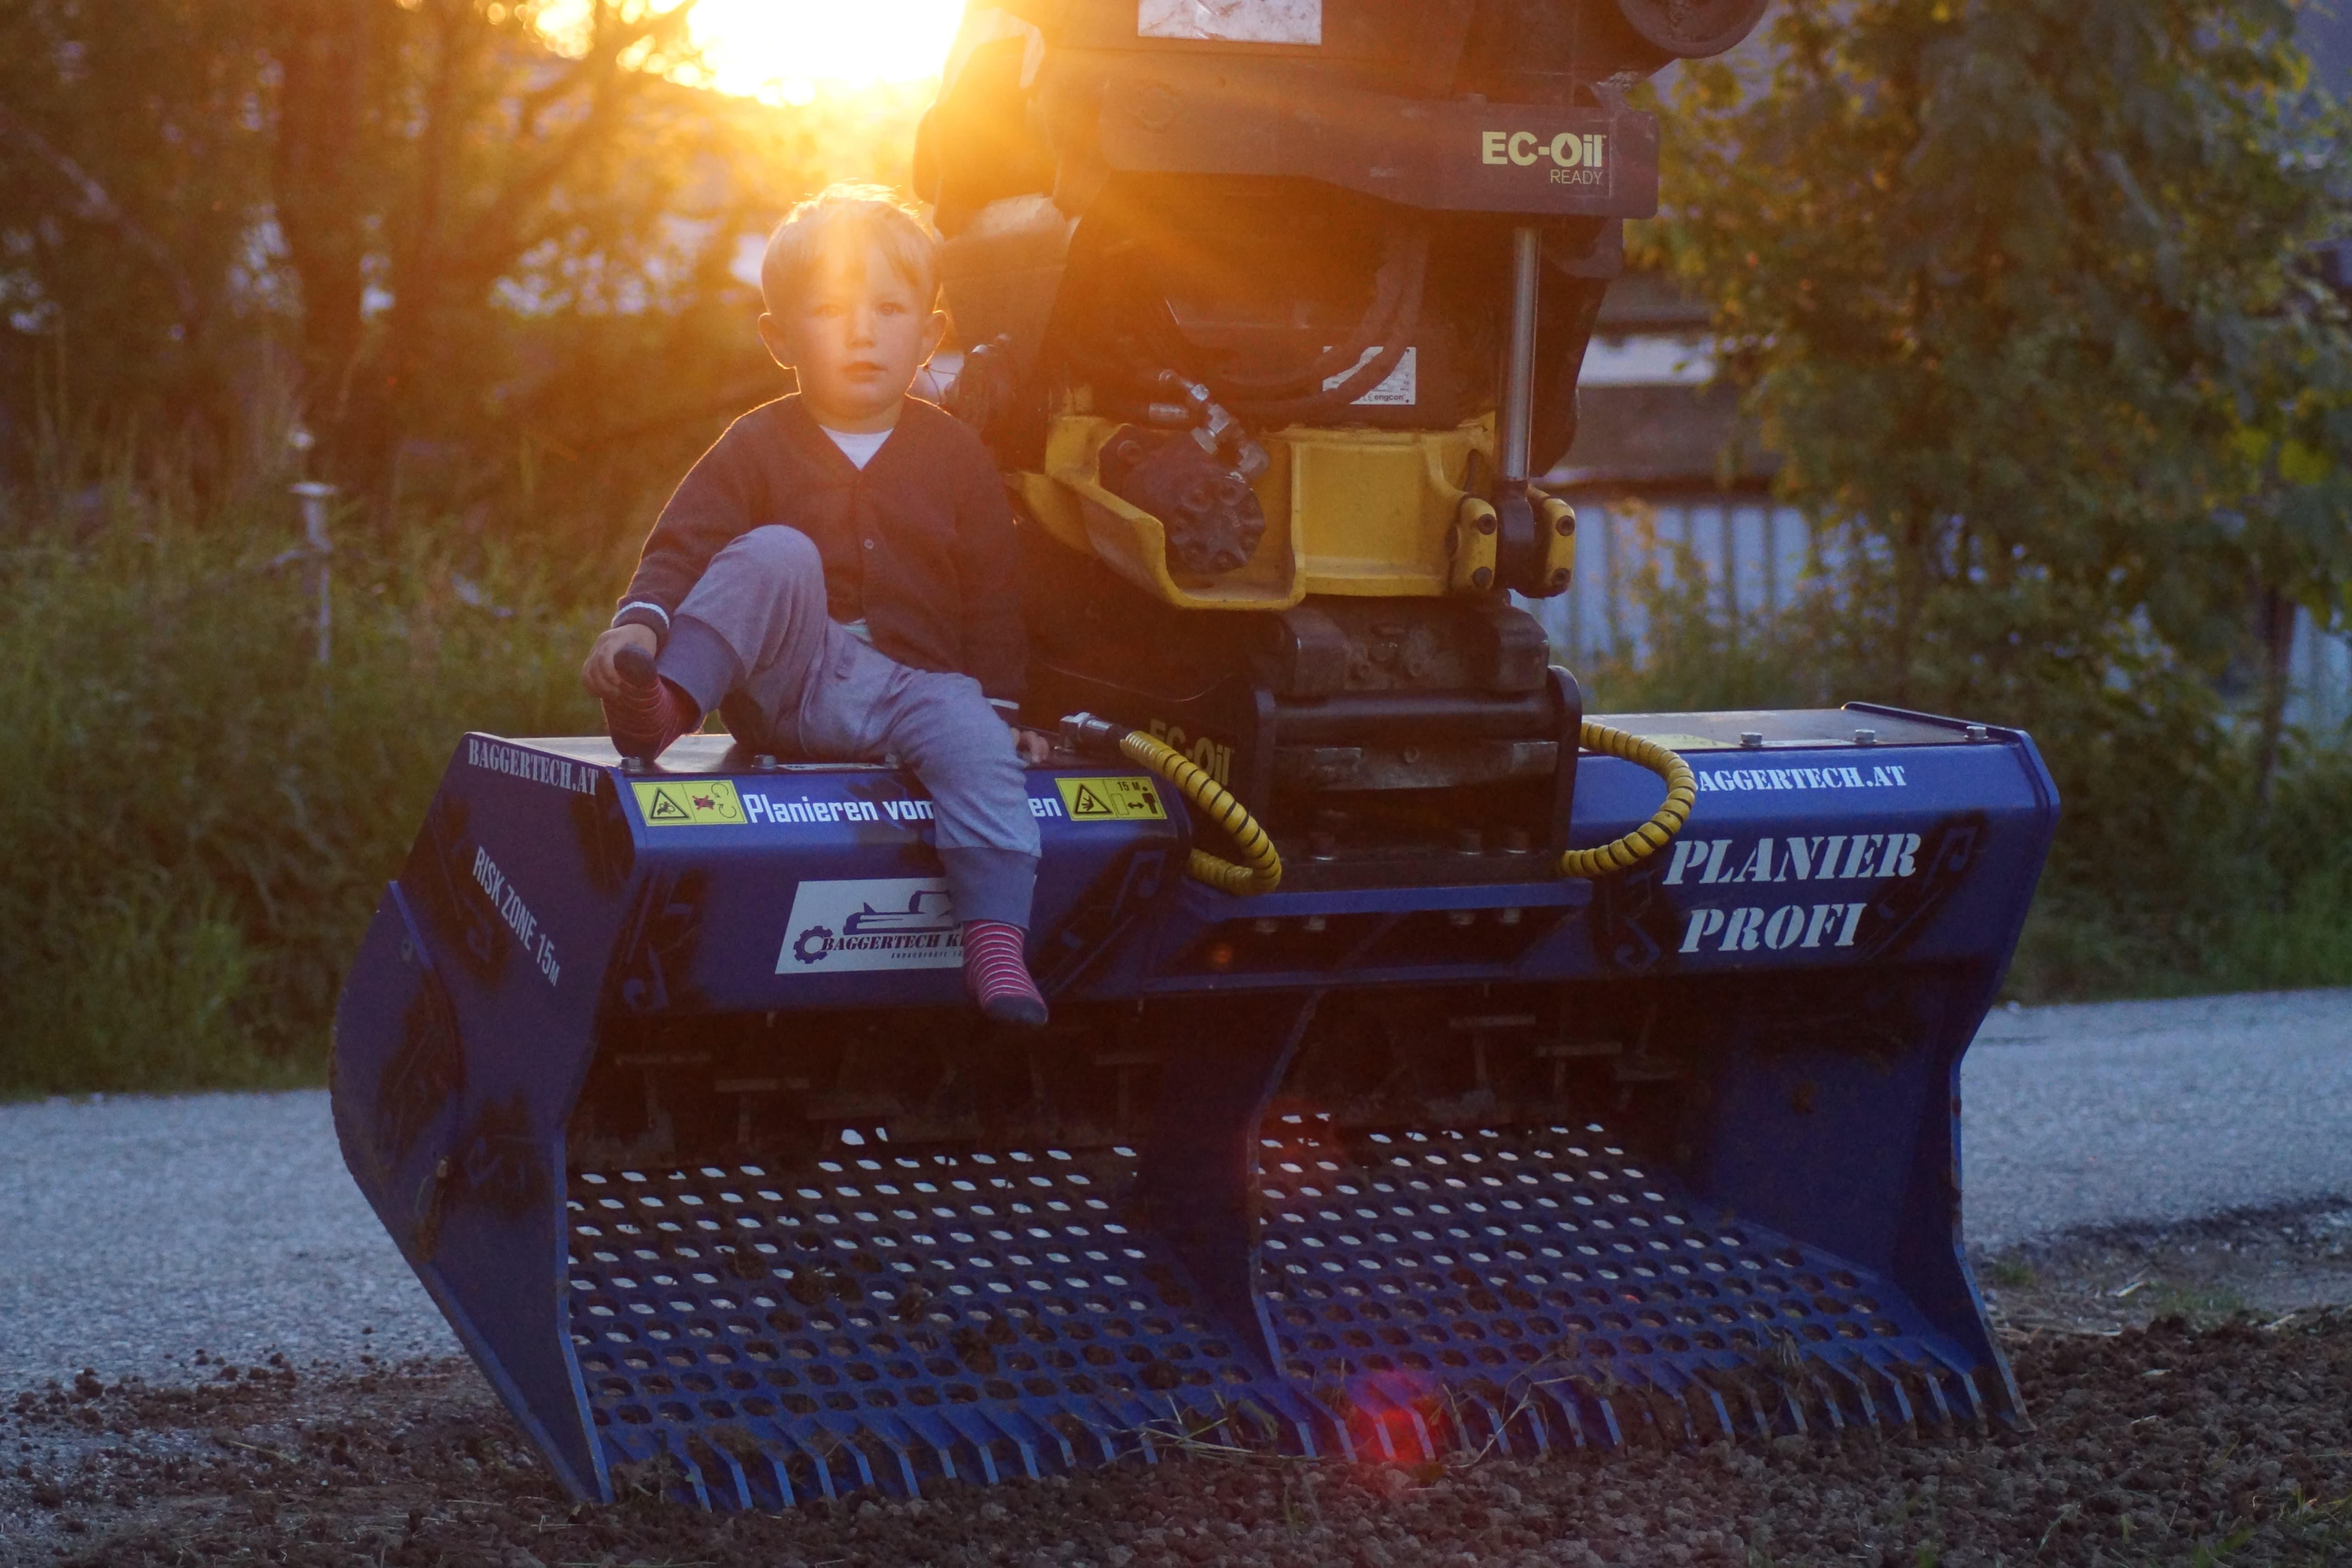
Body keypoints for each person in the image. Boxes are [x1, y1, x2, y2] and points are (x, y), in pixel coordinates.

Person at [579, 184, 1052, 1027]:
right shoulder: (755, 444)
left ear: (932, 335)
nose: (862, 333)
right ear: (779, 338)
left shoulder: (957, 456)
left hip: (917, 689)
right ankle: (663, 707)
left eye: (889, 309)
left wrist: (1006, 706)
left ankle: (994, 940)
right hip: (786, 686)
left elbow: (992, 595)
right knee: (776, 552)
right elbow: (683, 549)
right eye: (829, 310)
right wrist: (640, 624)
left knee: (980, 743)